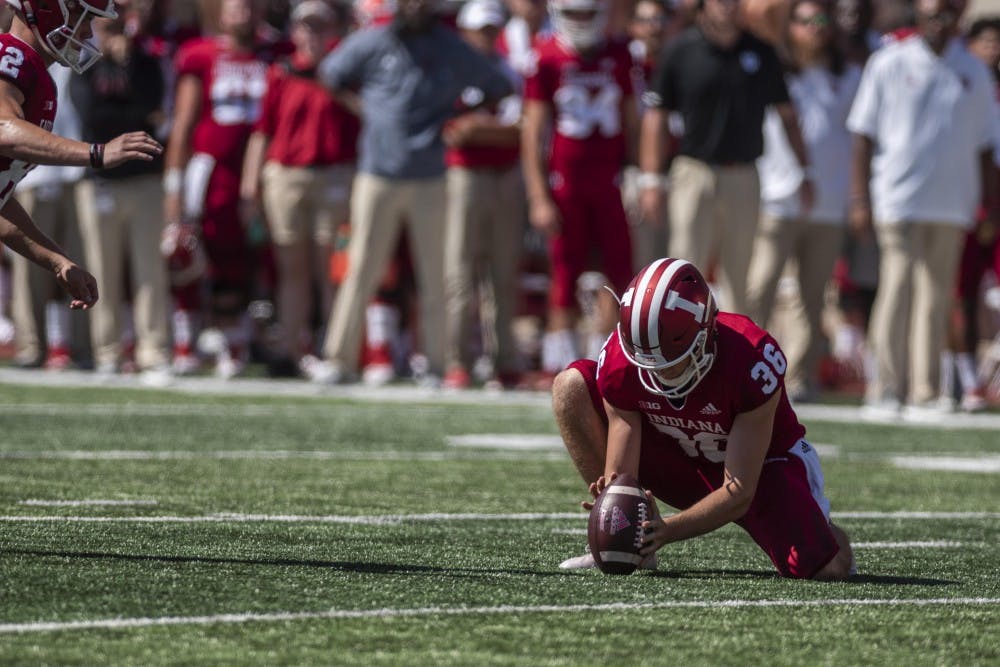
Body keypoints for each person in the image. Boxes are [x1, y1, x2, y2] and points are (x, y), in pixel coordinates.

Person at [552, 257, 854, 580]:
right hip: (679, 453)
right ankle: (634, 550)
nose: (655, 373)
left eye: (669, 363)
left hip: (759, 467)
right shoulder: (624, 361)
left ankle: (823, 529)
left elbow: (738, 492)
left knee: (827, 568)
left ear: (705, 334)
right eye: (646, 362)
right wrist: (619, 508)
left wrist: (667, 530)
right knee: (570, 388)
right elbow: (622, 468)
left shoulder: (748, 359)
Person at [313, 0, 513, 385]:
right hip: (377, 174)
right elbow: (331, 74)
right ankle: (339, 359)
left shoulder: (450, 45)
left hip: (431, 177)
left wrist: (462, 118)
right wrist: (364, 110)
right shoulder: (373, 40)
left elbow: (498, 85)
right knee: (361, 270)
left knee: (434, 274)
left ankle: (436, 364)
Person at [847, 0, 999, 420]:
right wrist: (859, 198)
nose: (940, 20)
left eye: (948, 13)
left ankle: (925, 390)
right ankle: (884, 387)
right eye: (933, 12)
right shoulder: (889, 61)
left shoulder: (973, 69)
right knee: (896, 288)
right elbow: (862, 135)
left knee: (935, 298)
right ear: (919, 14)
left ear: (956, 19)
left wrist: (990, 205)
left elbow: (987, 145)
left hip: (953, 204)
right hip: (898, 198)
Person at [638, 0, 815, 315]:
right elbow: (657, 116)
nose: (727, 6)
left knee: (740, 273)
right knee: (683, 272)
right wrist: (651, 178)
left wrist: (805, 171)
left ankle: (734, 357)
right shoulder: (681, 50)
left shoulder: (761, 52)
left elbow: (787, 116)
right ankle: (678, 353)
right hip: (693, 172)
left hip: (744, 175)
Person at [0, 0, 162, 322]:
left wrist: (57, 260)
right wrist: (96, 153)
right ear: (48, 10)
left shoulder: (36, 74)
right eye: (82, 18)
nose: (88, 31)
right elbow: (2, 129)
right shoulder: (11, 55)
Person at [162, 0, 291, 378]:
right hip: (212, 170)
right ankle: (187, 342)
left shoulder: (276, 53)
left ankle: (236, 340)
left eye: (251, 7)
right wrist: (175, 185)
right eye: (237, 7)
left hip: (262, 172)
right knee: (190, 249)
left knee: (249, 257)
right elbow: (184, 123)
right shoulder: (200, 54)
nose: (244, 14)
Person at [745, 0, 862, 402]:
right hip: (776, 198)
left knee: (813, 296)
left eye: (821, 20)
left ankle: (798, 378)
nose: (814, 27)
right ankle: (744, 370)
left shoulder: (848, 75)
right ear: (789, 26)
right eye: (804, 20)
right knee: (760, 287)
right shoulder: (771, 71)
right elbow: (764, 15)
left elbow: (857, 139)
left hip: (828, 203)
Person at [240, 0, 359, 378]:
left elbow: (365, 116)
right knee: (292, 267)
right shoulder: (282, 71)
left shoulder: (345, 72)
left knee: (332, 270)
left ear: (333, 32)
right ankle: (290, 348)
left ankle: (333, 350)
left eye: (320, 27)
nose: (313, 35)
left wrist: (333, 81)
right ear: (295, 32)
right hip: (286, 175)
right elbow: (263, 132)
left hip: (334, 175)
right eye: (306, 27)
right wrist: (250, 186)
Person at [521, 0, 640, 375]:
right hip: (565, 183)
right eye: (574, 13)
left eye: (588, 13)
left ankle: (607, 357)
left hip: (609, 180)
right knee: (564, 269)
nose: (581, 21)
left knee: (619, 270)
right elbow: (533, 131)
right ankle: (560, 361)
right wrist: (538, 194)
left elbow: (631, 118)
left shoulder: (619, 54)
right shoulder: (545, 56)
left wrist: (638, 171)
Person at [71, 14, 172, 384]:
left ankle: (153, 350)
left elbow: (152, 106)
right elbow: (93, 120)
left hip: (144, 179)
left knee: (150, 271)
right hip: (99, 182)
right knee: (101, 270)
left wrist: (127, 67)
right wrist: (131, 118)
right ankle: (108, 351)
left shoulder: (146, 64)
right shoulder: (84, 65)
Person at [442, 0, 525, 389]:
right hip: (465, 175)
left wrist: (478, 127)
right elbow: (452, 130)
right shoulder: (451, 70)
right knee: (460, 269)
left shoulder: (509, 68)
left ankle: (504, 359)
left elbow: (521, 127)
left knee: (503, 271)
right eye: (480, 29)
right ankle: (456, 359)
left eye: (492, 29)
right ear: (465, 31)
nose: (487, 37)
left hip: (505, 174)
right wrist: (488, 127)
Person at [941, 15, 1000, 411]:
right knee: (957, 295)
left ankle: (985, 373)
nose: (993, 49)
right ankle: (962, 379)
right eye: (986, 42)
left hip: (995, 203)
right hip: (963, 202)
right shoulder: (957, 84)